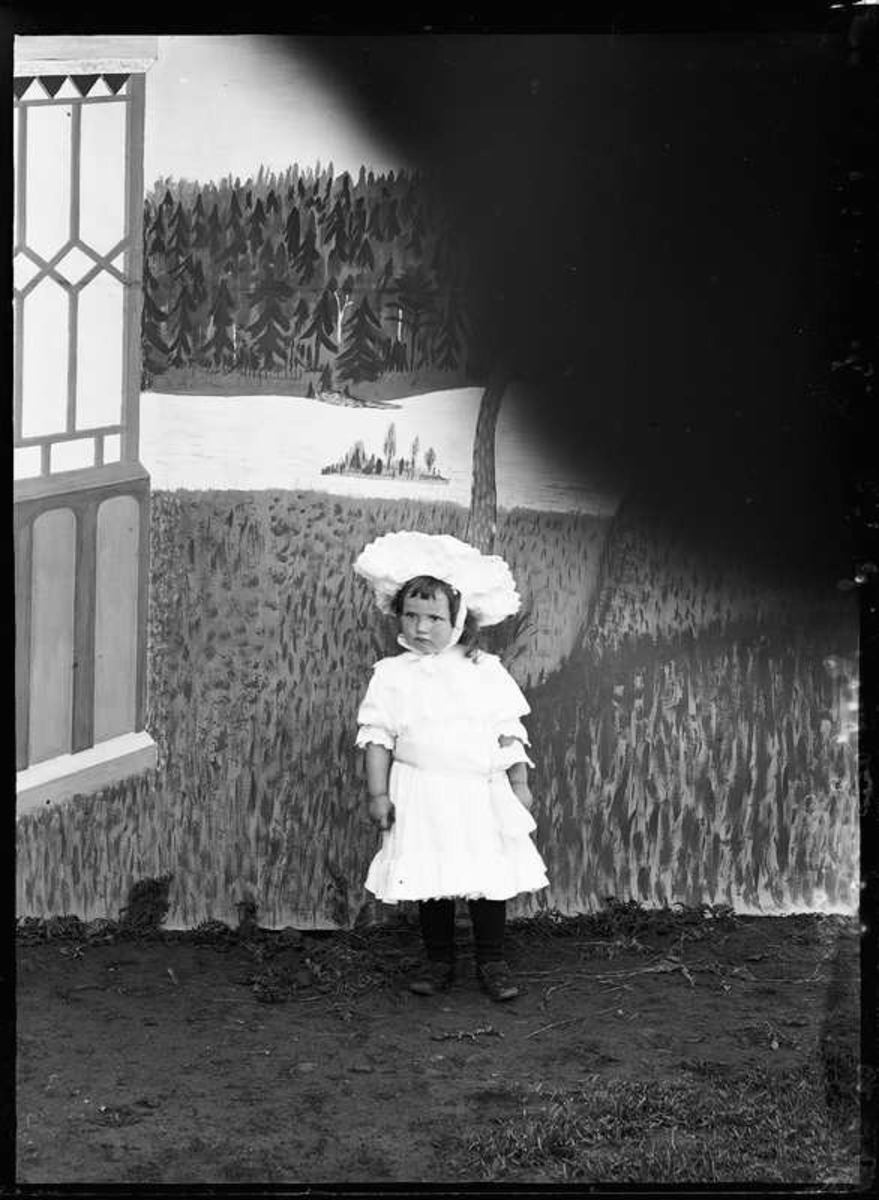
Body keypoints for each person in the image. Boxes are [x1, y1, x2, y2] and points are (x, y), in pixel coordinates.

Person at [353, 531, 549, 1002]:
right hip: (420, 790)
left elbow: (508, 730)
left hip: (478, 792)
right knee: (431, 879)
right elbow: (378, 738)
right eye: (411, 615)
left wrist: (519, 781)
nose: (421, 627)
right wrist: (378, 794)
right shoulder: (392, 675)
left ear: (459, 619)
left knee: (486, 877)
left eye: (434, 618)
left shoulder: (484, 670)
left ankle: (492, 960)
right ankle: (439, 959)